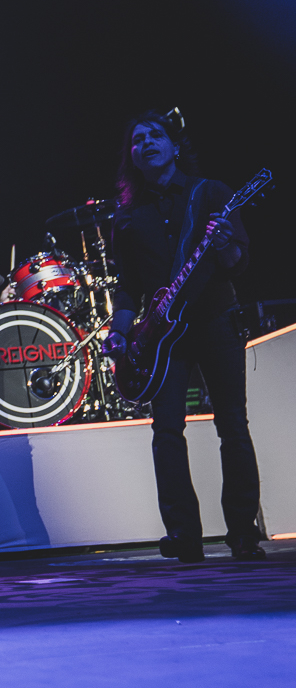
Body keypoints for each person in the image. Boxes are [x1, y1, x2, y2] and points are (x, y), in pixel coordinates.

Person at [103, 110, 263, 563]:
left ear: (175, 146)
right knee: (167, 430)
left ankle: (243, 534)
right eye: (137, 139)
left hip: (216, 321)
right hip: (160, 338)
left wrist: (225, 244)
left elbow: (237, 264)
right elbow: (128, 285)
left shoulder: (211, 193)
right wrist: (120, 331)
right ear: (131, 156)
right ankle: (184, 536)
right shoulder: (127, 219)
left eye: (156, 135)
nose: (147, 142)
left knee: (232, 425)